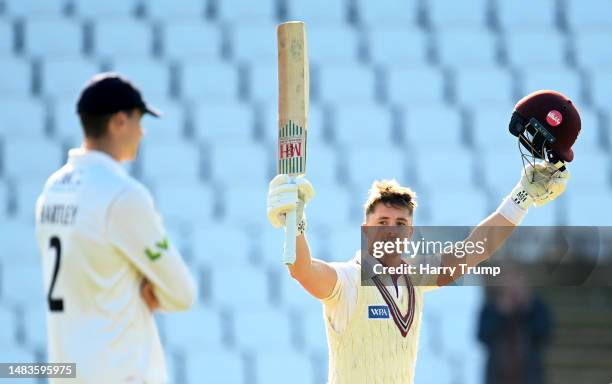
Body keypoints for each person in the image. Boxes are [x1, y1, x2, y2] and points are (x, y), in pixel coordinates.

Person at [266, 90, 579, 383]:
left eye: (400, 222)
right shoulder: (348, 280)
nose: (391, 229)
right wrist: (295, 224)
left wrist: (521, 196)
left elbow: (476, 247)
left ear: (410, 232)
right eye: (382, 221)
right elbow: (302, 269)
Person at [35, 73, 196, 383]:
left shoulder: (52, 189)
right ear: (119, 121)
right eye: (139, 120)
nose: (142, 131)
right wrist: (148, 286)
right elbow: (181, 292)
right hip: (120, 372)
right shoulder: (122, 195)